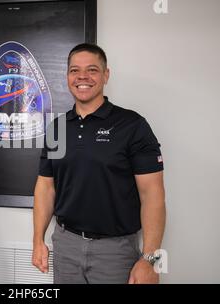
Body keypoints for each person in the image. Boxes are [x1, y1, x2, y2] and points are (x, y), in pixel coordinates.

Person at [32, 43, 166, 284]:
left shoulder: (132, 125)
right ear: (67, 76)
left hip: (115, 252)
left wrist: (150, 259)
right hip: (65, 246)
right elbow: (46, 187)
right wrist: (37, 241)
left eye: (92, 70)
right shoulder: (57, 128)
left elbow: (152, 195)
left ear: (106, 75)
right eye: (75, 70)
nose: (82, 77)